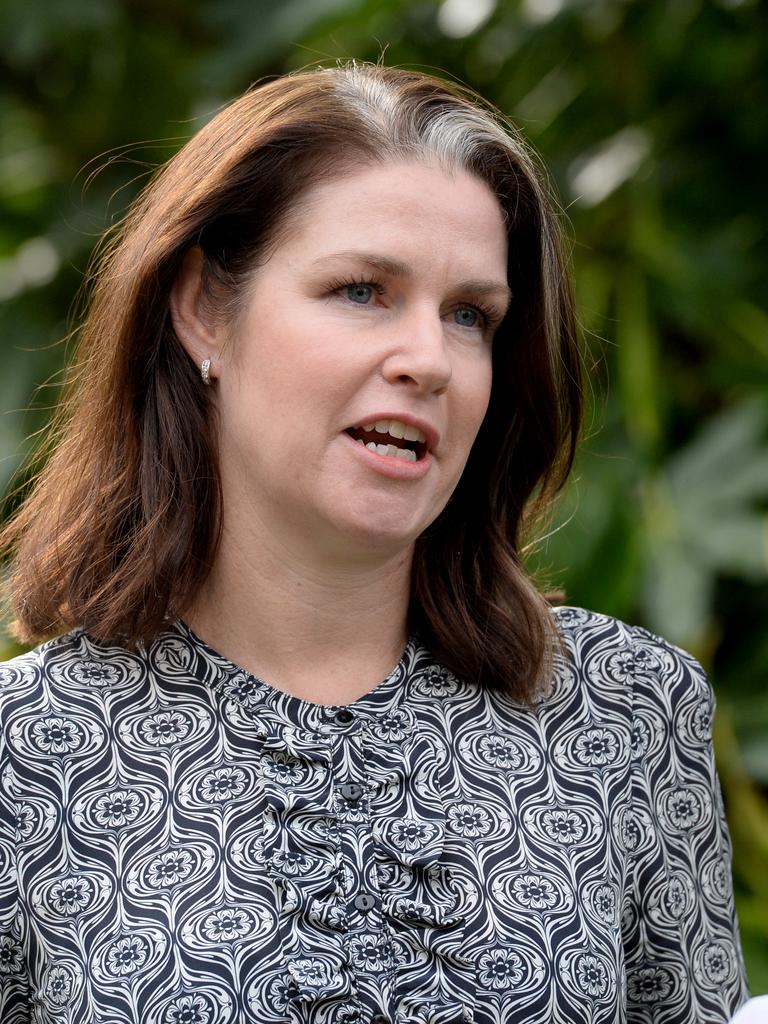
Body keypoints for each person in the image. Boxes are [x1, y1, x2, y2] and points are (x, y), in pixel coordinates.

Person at [0, 62, 749, 1024]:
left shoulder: (628, 715)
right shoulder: (27, 758)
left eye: (470, 316)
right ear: (202, 311)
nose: (429, 360)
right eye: (361, 290)